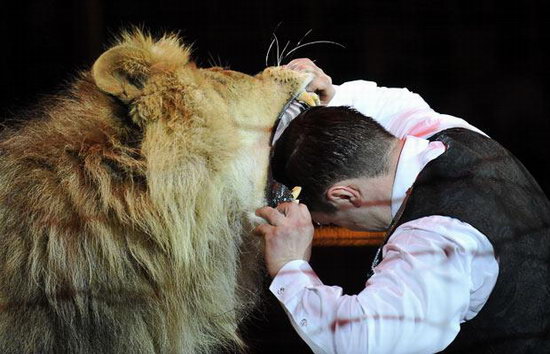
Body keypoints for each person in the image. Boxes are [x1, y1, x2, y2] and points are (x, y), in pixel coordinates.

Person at [254, 59, 550, 353]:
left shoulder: (435, 240)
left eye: (325, 220)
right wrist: (331, 96)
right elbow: (394, 103)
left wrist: (289, 266)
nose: (327, 226)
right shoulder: (444, 133)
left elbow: (363, 341)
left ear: (344, 196)